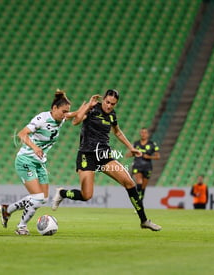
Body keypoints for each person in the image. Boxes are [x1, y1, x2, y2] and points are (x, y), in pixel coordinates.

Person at [51, 89, 162, 231]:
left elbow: (117, 132)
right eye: (107, 102)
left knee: (129, 183)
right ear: (103, 99)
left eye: (113, 104)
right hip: (87, 155)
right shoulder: (92, 109)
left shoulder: (112, 115)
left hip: (104, 156)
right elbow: (75, 122)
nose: (109, 106)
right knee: (86, 195)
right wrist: (87, 106)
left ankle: (144, 220)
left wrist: (131, 148)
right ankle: (62, 193)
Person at [0, 90, 71, 235]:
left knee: (42, 199)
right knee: (37, 198)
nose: (65, 115)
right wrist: (35, 147)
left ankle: (8, 209)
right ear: (54, 108)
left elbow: (74, 115)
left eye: (67, 112)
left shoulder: (60, 119)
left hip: (39, 163)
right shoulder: (42, 118)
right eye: (63, 112)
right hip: (26, 159)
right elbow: (21, 134)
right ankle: (21, 227)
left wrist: (87, 107)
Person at [126, 128, 160, 202]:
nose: (143, 134)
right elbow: (130, 154)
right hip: (137, 165)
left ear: (148, 134)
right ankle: (138, 201)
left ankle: (140, 201)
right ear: (140, 134)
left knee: (143, 187)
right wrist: (131, 154)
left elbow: (158, 156)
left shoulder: (152, 144)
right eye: (142, 132)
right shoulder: (136, 143)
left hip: (147, 166)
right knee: (139, 182)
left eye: (145, 132)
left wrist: (149, 157)